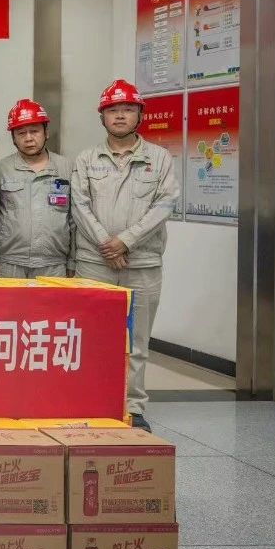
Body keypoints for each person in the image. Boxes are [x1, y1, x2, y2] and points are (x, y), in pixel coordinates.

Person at [72, 79, 180, 432]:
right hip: (94, 264)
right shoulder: (87, 159)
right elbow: (80, 206)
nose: (120, 116)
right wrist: (107, 243)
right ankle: (90, 402)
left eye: (127, 109)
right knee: (91, 339)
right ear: (102, 117)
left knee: (137, 342)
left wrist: (126, 242)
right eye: (113, 110)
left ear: (139, 115)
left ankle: (132, 407)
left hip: (142, 264)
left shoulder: (159, 159)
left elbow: (164, 205)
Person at [0, 99, 75, 279]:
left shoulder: (66, 167)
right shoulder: (1, 169)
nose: (28, 138)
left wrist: (72, 261)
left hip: (54, 265)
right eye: (21, 133)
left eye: (35, 131)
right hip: (10, 264)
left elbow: (74, 220)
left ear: (46, 132)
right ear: (13, 138)